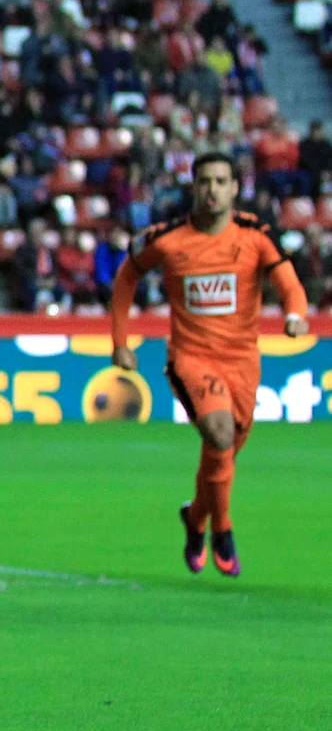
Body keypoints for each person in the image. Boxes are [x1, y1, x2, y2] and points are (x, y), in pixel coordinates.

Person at [108, 153, 309, 577]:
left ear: (236, 188)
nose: (212, 190)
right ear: (193, 187)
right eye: (204, 182)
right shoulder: (167, 239)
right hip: (191, 359)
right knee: (218, 436)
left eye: (221, 181)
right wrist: (120, 342)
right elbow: (127, 276)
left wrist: (294, 313)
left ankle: (195, 518)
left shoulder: (255, 235)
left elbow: (289, 282)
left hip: (243, 364)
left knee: (225, 454)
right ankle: (222, 528)